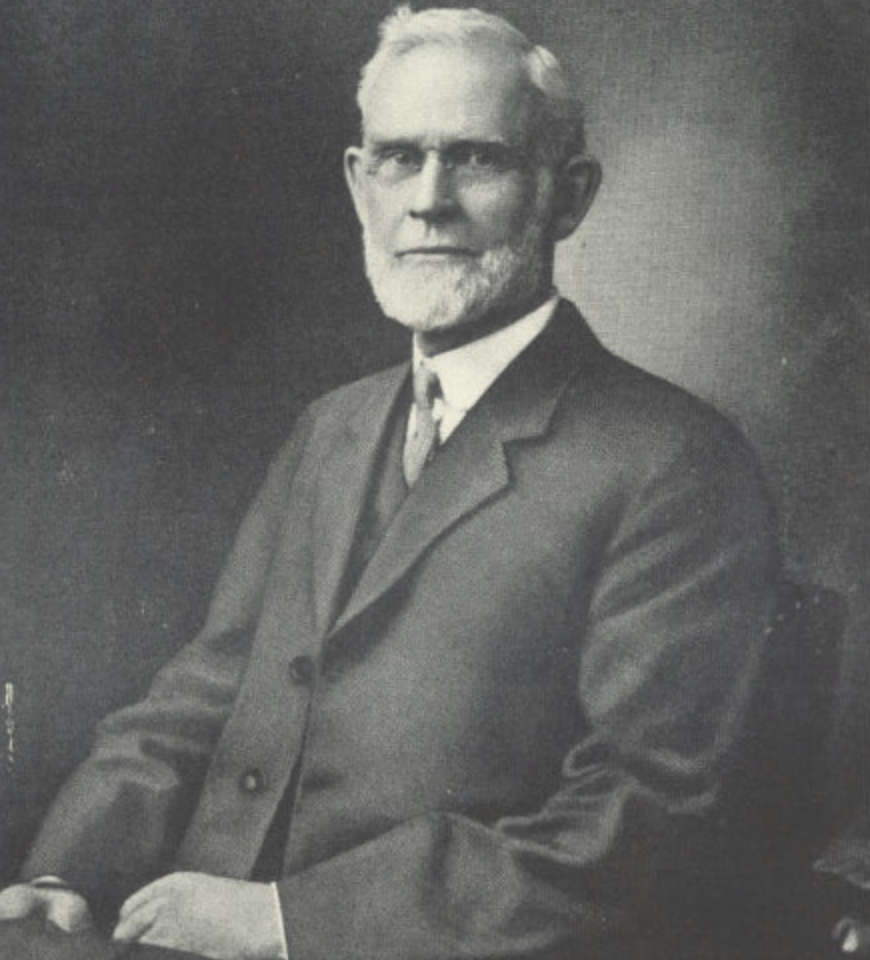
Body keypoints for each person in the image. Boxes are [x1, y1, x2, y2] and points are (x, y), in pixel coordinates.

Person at [0, 6, 779, 959]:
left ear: (567, 196)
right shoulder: (332, 427)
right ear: (358, 184)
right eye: (399, 159)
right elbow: (204, 692)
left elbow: (648, 813)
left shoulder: (676, 461)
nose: (429, 200)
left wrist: (288, 924)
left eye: (479, 160)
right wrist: (63, 873)